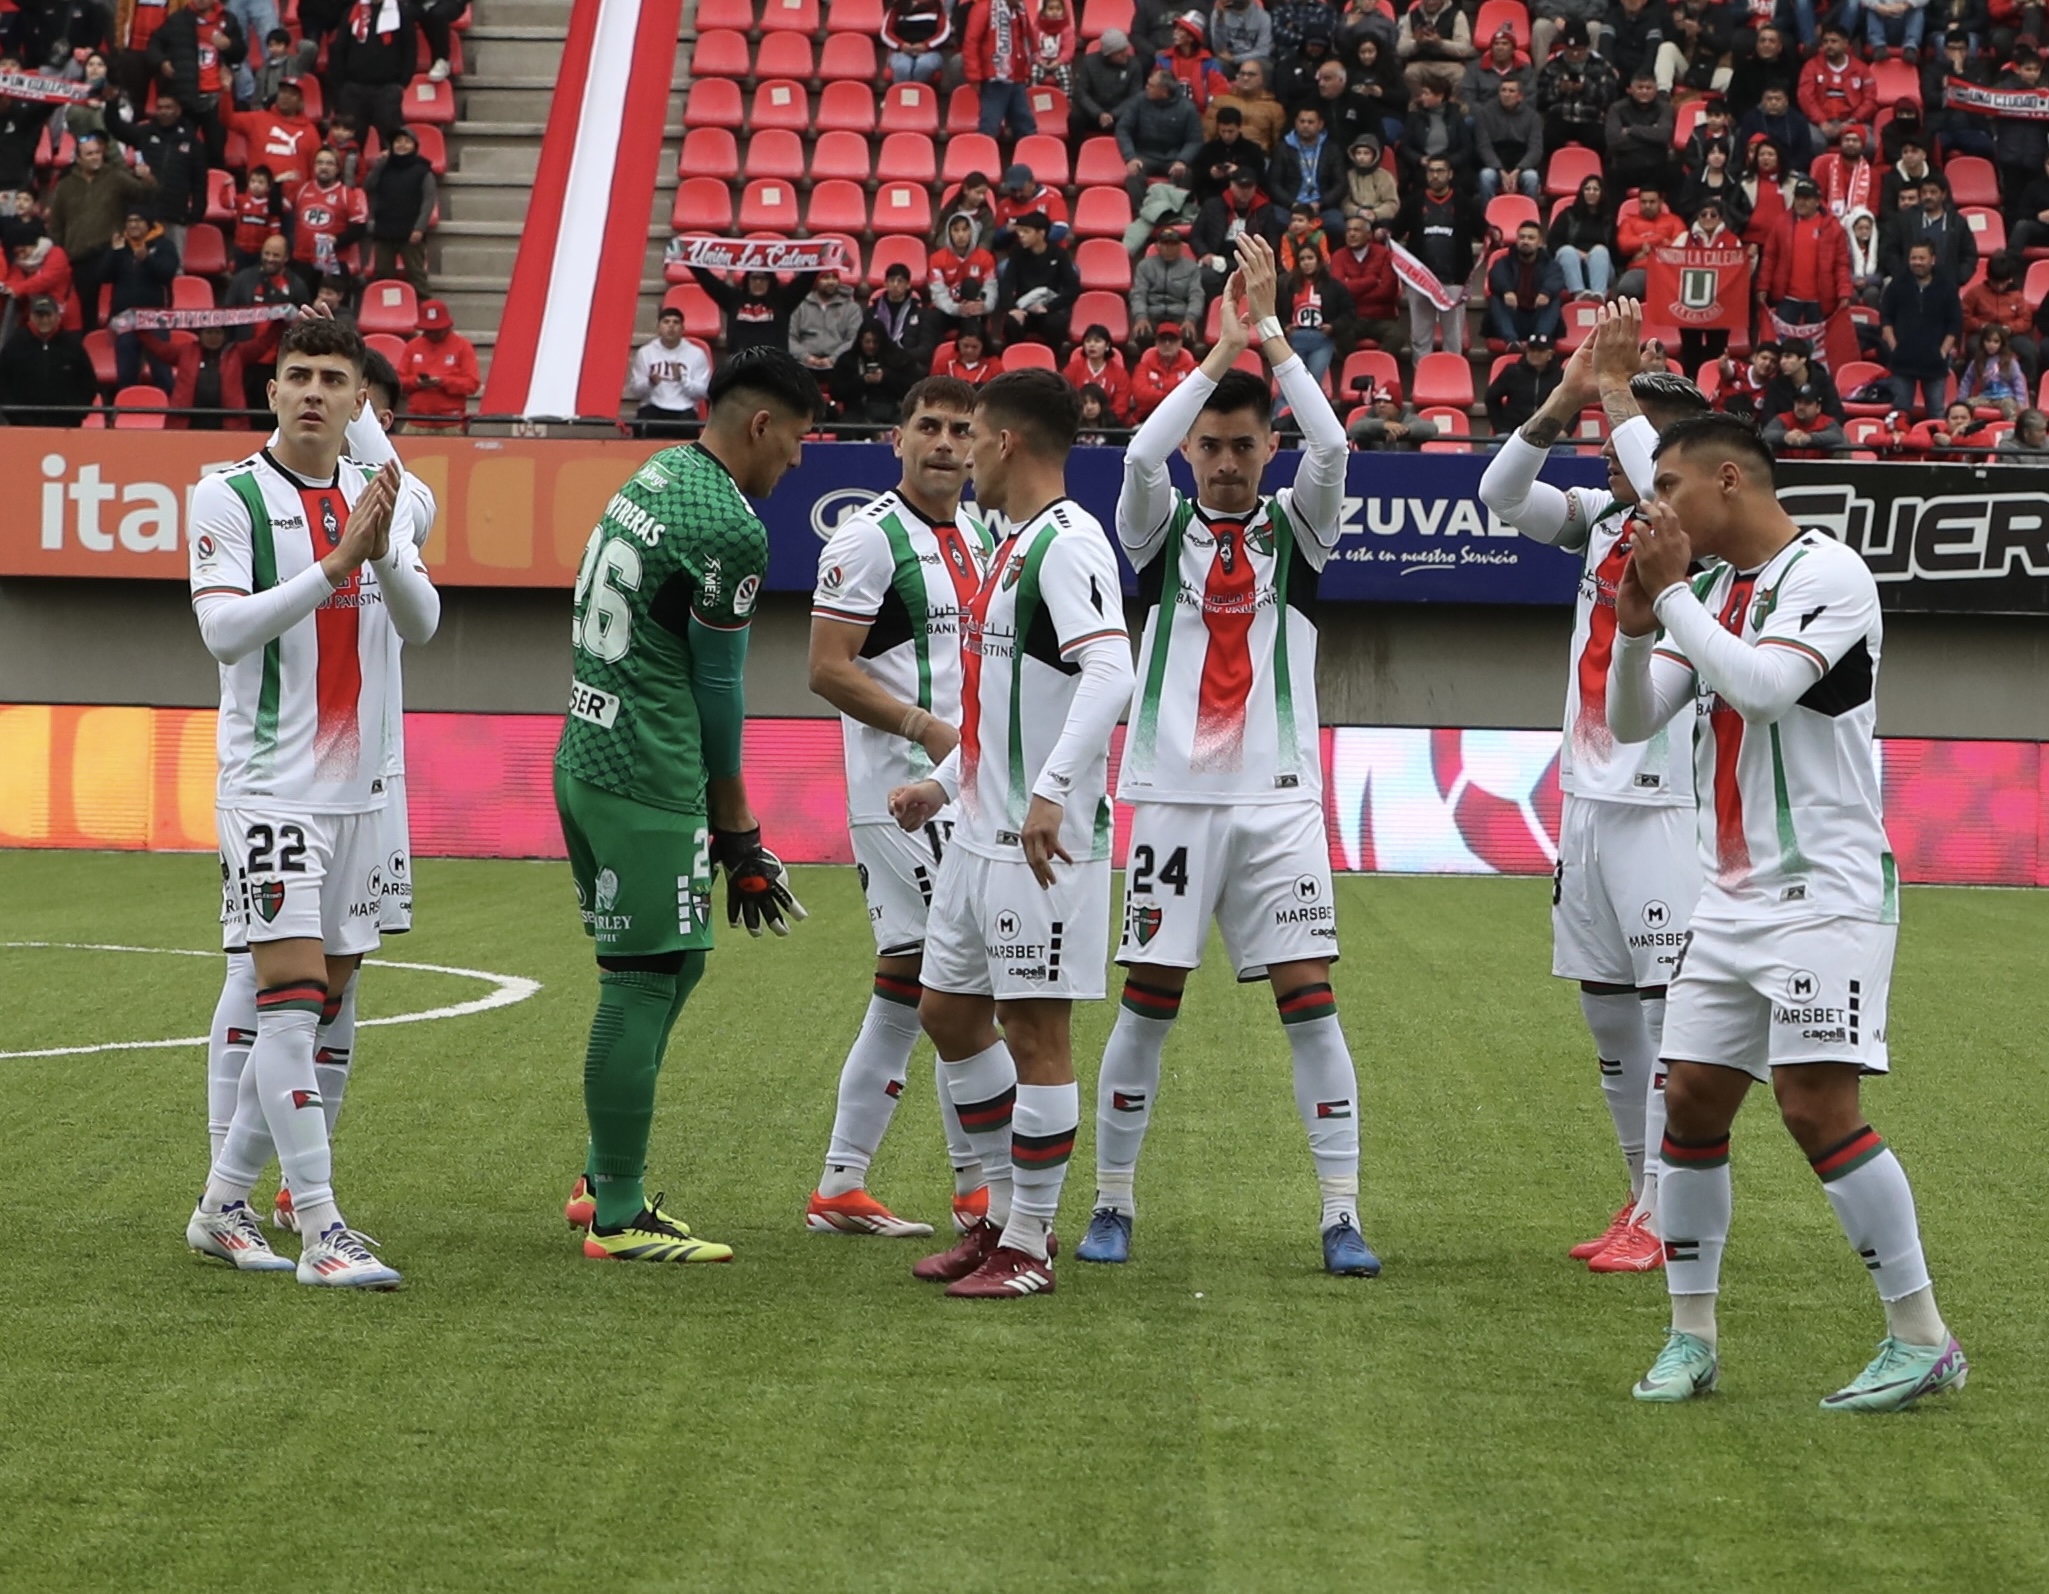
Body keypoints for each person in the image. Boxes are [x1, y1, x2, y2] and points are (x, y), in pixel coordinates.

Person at [1607, 410, 1965, 1412]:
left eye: (1670, 486)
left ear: (1730, 482)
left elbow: (1763, 690)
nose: (1657, 505)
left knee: (1816, 1107)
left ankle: (1921, 1334)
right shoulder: (1716, 589)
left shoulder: (1828, 575)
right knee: (1690, 1102)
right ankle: (1691, 1337)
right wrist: (1641, 635)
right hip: (1730, 896)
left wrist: (1671, 594)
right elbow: (1632, 718)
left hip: (1828, 891)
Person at [1073, 235, 1375, 1275]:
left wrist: (1276, 341)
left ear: (1265, 451)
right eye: (1214, 445)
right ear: (1195, 448)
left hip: (1281, 803)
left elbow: (1334, 451)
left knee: (1311, 1003)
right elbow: (1133, 458)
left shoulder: (1301, 527)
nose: (1229, 460)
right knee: (1149, 1004)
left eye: (1245, 445)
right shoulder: (1156, 531)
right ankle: (1113, 1202)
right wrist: (1217, 353)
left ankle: (1340, 1213)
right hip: (1171, 799)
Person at [553, 347, 820, 1260]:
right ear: (759, 427)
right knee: (640, 978)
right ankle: (620, 1211)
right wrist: (740, 828)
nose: (795, 461)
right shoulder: (732, 528)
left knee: (680, 963)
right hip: (645, 772)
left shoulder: (659, 469)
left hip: (586, 755)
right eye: (793, 442)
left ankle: (600, 1177)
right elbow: (718, 686)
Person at [185, 314, 435, 1288]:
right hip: (272, 789)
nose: (316, 392)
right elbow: (224, 633)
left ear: (361, 401)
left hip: (362, 796)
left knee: (324, 1001)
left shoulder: (389, 499)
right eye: (299, 375)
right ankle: (325, 1228)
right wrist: (334, 567)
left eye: (336, 377)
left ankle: (221, 1206)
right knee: (286, 1001)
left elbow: (423, 618)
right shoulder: (228, 495)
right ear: (274, 391)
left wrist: (381, 554)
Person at [888, 369, 1135, 1298]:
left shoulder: (1068, 545)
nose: (962, 455)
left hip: (1041, 840)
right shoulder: (1008, 542)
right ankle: (996, 1217)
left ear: (1008, 444)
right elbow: (1004, 703)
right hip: (978, 832)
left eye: (975, 436)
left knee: (1036, 1034)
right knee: (946, 1014)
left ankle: (1027, 1244)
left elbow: (1109, 673)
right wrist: (942, 782)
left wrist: (1052, 793)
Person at [1479, 304, 1710, 1273]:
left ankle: (1667, 1209)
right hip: (1585, 801)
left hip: (1659, 803)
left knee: (1666, 1018)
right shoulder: (1599, 519)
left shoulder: (1691, 529)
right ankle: (1640, 1196)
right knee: (1610, 1013)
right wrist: (1570, 392)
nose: (1613, 457)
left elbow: (1659, 474)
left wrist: (1616, 385)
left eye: (1630, 442)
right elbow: (1500, 492)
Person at [803, 378, 995, 1238]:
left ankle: (841, 1184)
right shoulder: (868, 536)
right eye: (930, 427)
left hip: (959, 791)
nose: (947, 443)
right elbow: (826, 666)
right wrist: (928, 728)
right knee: (965, 986)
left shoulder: (982, 530)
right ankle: (978, 1186)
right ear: (897, 438)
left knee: (904, 988)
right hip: (902, 797)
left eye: (961, 429)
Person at [44, 130, 155, 332]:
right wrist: (60, 255)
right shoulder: (64, 186)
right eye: (89, 154)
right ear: (78, 159)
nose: (95, 157)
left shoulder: (115, 177)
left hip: (109, 252)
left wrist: (147, 178)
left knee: (117, 306)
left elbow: (143, 194)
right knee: (85, 313)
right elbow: (56, 225)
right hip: (78, 257)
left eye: (97, 152)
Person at [1395, 152, 1483, 356]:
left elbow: (1483, 229)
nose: (1435, 175)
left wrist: (1494, 232)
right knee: (1420, 338)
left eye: (1440, 171)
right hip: (1420, 281)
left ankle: (1453, 383)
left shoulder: (1464, 202)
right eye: (1431, 171)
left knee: (1453, 339)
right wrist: (1384, 231)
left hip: (1454, 280)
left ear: (1450, 174)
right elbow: (1395, 230)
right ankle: (1421, 383)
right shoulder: (1414, 202)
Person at [140, 317, 282, 427]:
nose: (213, 337)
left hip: (227, 424)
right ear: (200, 335)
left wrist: (279, 323)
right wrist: (139, 330)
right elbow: (159, 348)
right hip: (187, 422)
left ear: (224, 335)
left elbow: (263, 343)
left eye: (217, 332)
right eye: (209, 332)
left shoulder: (238, 353)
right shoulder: (185, 351)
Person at [146, 0, 241, 163]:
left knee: (216, 151)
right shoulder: (177, 20)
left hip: (216, 97)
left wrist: (230, 45)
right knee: (181, 152)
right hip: (186, 96)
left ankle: (215, 186)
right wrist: (162, 62)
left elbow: (240, 53)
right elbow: (154, 43)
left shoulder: (228, 19)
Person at [1758, 179, 1851, 332]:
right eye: (1798, 198)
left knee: (1816, 352)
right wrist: (1763, 286)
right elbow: (1770, 257)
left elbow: (1841, 263)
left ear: (1817, 201)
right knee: (1785, 348)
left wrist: (1844, 293)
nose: (1801, 202)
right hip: (1787, 299)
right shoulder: (1781, 223)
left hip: (1819, 301)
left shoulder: (1833, 227)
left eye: (1806, 198)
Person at [1880, 240, 1960, 416]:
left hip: (1935, 363)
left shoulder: (1947, 287)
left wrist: (1943, 351)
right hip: (1902, 362)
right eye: (1913, 258)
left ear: (1932, 259)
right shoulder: (1897, 284)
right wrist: (1894, 346)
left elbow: (1954, 323)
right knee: (1900, 413)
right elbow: (1886, 317)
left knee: (1937, 413)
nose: (1917, 262)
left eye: (1922, 258)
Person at [326, 0, 419, 142]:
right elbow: (339, 48)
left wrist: (402, 82)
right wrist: (341, 85)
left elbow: (410, 49)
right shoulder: (353, 11)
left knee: (390, 140)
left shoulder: (401, 12)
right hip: (353, 89)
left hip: (387, 89)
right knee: (349, 142)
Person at [0, 293, 98, 425]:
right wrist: (13, 414)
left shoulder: (72, 345)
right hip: (22, 426)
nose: (44, 320)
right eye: (40, 315)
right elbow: (3, 381)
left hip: (66, 427)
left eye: (48, 315)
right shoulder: (15, 344)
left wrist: (77, 413)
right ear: (31, 317)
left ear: (57, 317)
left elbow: (88, 383)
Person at [1118, 66, 1206, 209]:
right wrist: (1130, 157)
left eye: (1151, 86)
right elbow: (1123, 129)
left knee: (1185, 175)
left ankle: (1176, 214)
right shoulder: (1139, 101)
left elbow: (1195, 140)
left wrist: (1182, 160)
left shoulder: (1187, 108)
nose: (1146, 87)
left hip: (1174, 157)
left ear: (1164, 91)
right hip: (1145, 155)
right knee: (1133, 176)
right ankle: (1140, 214)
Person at [363, 126, 436, 294]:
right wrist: (381, 163)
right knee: (382, 274)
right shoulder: (384, 167)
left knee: (416, 274)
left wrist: (419, 228)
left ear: (414, 146)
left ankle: (423, 310)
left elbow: (428, 201)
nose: (401, 145)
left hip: (410, 232)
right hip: (385, 230)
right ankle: (385, 311)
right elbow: (369, 185)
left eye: (406, 142)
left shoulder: (423, 170)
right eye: (397, 141)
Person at [1193, 167, 1283, 300]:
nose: (1245, 191)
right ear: (1231, 185)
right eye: (1241, 186)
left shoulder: (1265, 209)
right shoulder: (1212, 205)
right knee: (1204, 277)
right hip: (1218, 258)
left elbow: (1273, 241)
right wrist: (1205, 254)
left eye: (1249, 187)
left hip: (1251, 261)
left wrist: (1258, 258)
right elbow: (1196, 236)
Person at [996, 211, 1079, 347]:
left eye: (1026, 231)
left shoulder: (1059, 254)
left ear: (1041, 233)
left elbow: (1073, 288)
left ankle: (1050, 362)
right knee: (1011, 323)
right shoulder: (1017, 252)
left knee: (1056, 323)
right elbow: (1007, 283)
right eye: (1020, 231)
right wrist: (1011, 308)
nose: (1021, 235)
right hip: (1024, 307)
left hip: (1048, 308)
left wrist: (1048, 307)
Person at [292, 146, 370, 290]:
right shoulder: (303, 190)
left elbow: (360, 228)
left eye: (329, 163)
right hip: (303, 259)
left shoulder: (346, 194)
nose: (324, 167)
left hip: (334, 262)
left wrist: (337, 240)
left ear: (337, 168)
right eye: (320, 163)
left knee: (331, 308)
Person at [1537, 21, 1621, 155]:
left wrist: (1586, 88)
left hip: (1589, 118)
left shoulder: (1601, 66)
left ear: (1587, 47)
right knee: (1548, 138)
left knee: (1600, 139)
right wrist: (1558, 89)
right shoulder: (1552, 66)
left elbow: (1610, 98)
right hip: (1560, 118)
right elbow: (1539, 98)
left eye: (1579, 49)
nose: (1575, 54)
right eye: (1571, 49)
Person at [1275, 240, 1353, 384]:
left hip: (1322, 339)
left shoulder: (1334, 286)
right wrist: (1285, 326)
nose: (1306, 262)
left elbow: (1349, 313)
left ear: (1319, 260)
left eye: (1310, 258)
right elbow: (1276, 312)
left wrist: (1333, 327)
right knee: (1290, 386)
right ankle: (1283, 408)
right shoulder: (1287, 285)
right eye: (1302, 259)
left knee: (1313, 386)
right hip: (1295, 338)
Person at [625, 306, 710, 437]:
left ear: (683, 329)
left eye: (676, 322)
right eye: (666, 322)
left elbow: (704, 392)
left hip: (684, 409)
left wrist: (683, 379)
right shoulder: (645, 352)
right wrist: (650, 383)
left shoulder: (696, 354)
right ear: (658, 327)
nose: (671, 326)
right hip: (653, 406)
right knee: (643, 426)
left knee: (689, 428)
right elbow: (636, 390)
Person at [1328, 212, 1405, 353]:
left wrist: (1351, 285)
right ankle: (1354, 369)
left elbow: (1387, 291)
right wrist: (1372, 281)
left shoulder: (1384, 254)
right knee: (1341, 334)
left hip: (1382, 318)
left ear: (1369, 235)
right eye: (1348, 230)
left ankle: (1378, 367)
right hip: (1351, 317)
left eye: (1356, 230)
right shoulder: (1338, 256)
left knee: (1396, 336)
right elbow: (1338, 291)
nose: (1351, 234)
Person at [399, 298, 478, 430]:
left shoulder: (463, 346)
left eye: (438, 329)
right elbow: (399, 381)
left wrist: (443, 381)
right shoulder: (413, 346)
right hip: (417, 421)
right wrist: (417, 382)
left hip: (451, 422)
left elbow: (471, 384)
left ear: (448, 326)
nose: (433, 334)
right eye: (428, 330)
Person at [1880, 176, 1974, 288]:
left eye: (1933, 192)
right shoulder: (1904, 220)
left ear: (1943, 195)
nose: (1928, 196)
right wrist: (1901, 276)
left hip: (1946, 288)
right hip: (1910, 288)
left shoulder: (1957, 223)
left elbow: (1969, 255)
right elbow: (1890, 251)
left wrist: (1958, 278)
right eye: (1924, 192)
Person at [965, 0, 1039, 139]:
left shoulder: (1020, 11)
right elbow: (971, 43)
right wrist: (974, 76)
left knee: (1026, 126)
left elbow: (1027, 42)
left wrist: (1026, 71)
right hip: (994, 77)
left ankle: (1030, 158)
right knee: (989, 126)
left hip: (1017, 78)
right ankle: (983, 158)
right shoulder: (983, 8)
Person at [1268, 103, 1345, 232]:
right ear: (1296, 123)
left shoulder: (1331, 149)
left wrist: (1321, 203)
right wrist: (1292, 203)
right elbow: (1273, 183)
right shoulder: (1283, 148)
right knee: (1274, 219)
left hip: (1320, 207)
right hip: (1291, 206)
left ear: (1320, 125)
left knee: (1336, 224)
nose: (1305, 125)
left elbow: (1340, 183)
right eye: (1302, 121)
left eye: (1310, 122)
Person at [1797, 24, 1877, 149]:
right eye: (1825, 42)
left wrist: (1852, 121)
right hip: (1819, 123)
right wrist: (1822, 121)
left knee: (1868, 145)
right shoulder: (1812, 66)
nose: (1829, 45)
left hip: (1851, 121)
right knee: (1813, 142)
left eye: (1834, 41)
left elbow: (1870, 100)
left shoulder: (1861, 68)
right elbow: (1805, 97)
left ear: (1845, 44)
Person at [830, 319, 919, 431]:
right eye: (867, 342)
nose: (871, 346)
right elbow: (836, 392)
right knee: (846, 427)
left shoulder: (900, 358)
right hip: (857, 411)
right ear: (860, 341)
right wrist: (862, 381)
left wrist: (886, 377)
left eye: (875, 342)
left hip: (893, 410)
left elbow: (912, 388)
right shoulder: (847, 360)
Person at [1487, 221, 1566, 347]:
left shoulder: (1549, 263)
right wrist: (1506, 290)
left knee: (1553, 299)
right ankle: (1512, 343)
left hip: (1537, 316)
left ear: (1540, 242)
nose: (1525, 241)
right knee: (1496, 299)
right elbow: (1496, 276)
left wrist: (1546, 292)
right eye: (1522, 237)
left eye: (1531, 238)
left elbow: (1556, 278)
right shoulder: (1504, 261)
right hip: (1513, 317)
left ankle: (1539, 340)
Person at [1132, 225, 1207, 349]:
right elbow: (1138, 293)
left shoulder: (1191, 268)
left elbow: (1196, 295)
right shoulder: (1144, 266)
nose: (1169, 247)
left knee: (1187, 337)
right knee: (1142, 335)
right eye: (1165, 243)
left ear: (1180, 247)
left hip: (1179, 314)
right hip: (1153, 313)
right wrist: (1141, 316)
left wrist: (1190, 319)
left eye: (1173, 244)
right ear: (1158, 246)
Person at [1606, 71, 1677, 196]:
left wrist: (1631, 130)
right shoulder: (1616, 108)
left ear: (1656, 89)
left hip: (1657, 165)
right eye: (1640, 87)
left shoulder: (1665, 107)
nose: (1644, 91)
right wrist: (1651, 134)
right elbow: (1614, 141)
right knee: (1611, 175)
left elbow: (1664, 136)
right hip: (1627, 165)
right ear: (1631, 89)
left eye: (1648, 88)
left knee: (1677, 174)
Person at [1613, 182, 1687, 300]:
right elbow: (1624, 244)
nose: (1647, 205)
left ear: (1661, 202)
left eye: (1652, 202)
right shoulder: (1629, 221)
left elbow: (1680, 246)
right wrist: (1659, 239)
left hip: (1668, 269)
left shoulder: (1674, 220)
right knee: (1626, 287)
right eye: (1643, 202)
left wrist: (1649, 249)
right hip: (1640, 269)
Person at [1475, 76, 1544, 201]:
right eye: (1503, 90)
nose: (1506, 94)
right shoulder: (1484, 113)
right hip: (1495, 166)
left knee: (1532, 178)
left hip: (1522, 166)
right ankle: (1486, 217)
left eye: (1511, 91)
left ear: (1520, 96)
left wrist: (1518, 171)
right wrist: (1500, 170)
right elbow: (1484, 147)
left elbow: (1536, 150)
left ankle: (1530, 217)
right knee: (1485, 176)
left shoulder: (1533, 117)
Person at [928, 213, 998, 335]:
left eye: (965, 230)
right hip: (949, 309)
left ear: (972, 231)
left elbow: (990, 286)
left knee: (970, 284)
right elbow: (938, 292)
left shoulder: (986, 258)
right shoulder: (936, 259)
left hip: (975, 310)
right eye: (956, 230)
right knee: (931, 318)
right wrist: (957, 309)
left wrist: (984, 306)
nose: (961, 235)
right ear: (949, 233)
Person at [1550, 174, 1617, 299]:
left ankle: (1599, 296)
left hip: (1600, 269)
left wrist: (1592, 257)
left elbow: (1615, 253)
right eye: (1587, 189)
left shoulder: (1608, 220)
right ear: (1582, 192)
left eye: (1596, 189)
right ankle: (1579, 294)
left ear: (1602, 193)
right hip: (1572, 267)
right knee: (1567, 251)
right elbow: (1553, 243)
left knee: (1600, 250)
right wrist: (1579, 254)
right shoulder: (1568, 214)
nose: (1591, 192)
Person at [1073, 27, 1148, 136]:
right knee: (1076, 116)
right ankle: (1077, 151)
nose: (1125, 54)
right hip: (1094, 111)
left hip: (1120, 111)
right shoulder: (1089, 63)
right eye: (1119, 52)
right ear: (1108, 54)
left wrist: (1114, 114)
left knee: (1139, 116)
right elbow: (1081, 93)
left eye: (1125, 49)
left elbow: (1134, 96)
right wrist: (1098, 113)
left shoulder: (1134, 65)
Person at [1486, 330, 1564, 433]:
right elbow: (1491, 398)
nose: (1535, 354)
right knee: (1495, 447)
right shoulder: (1512, 372)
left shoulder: (1561, 376)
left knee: (1566, 449)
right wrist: (1500, 428)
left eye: (1540, 351)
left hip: (1549, 433)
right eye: (1532, 350)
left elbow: (1574, 403)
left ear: (1550, 354)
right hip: (1514, 431)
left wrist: (1566, 430)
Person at [790, 268, 863, 373]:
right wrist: (806, 357)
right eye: (826, 278)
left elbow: (854, 339)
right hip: (803, 363)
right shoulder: (799, 305)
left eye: (834, 278)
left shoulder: (851, 308)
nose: (831, 282)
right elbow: (789, 337)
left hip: (838, 364)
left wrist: (833, 359)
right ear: (816, 281)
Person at [1397, 0, 1474, 98]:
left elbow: (1464, 49)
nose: (1430, 2)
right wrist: (1417, 44)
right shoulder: (1411, 16)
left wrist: (1441, 44)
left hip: (1449, 64)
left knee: (1461, 76)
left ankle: (1454, 107)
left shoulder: (1457, 15)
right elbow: (1400, 49)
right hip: (1421, 63)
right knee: (1410, 73)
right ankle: (1417, 106)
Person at [1205, 58, 1288, 149]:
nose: (1245, 78)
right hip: (1223, 155)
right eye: (1242, 74)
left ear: (1262, 79)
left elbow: (1279, 144)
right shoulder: (1220, 102)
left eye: (1251, 74)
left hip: (1259, 158)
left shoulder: (1274, 108)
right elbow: (1208, 136)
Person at [1062, 322, 1134, 419]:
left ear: (1107, 345)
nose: (1091, 345)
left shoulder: (1120, 374)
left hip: (1109, 425)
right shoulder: (1072, 369)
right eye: (1088, 341)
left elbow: (1121, 407)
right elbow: (1065, 397)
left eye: (1097, 341)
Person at [1956, 323, 2028, 417]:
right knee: (1967, 406)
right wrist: (1962, 400)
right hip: (1985, 397)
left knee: (2010, 409)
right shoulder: (1977, 361)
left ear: (2002, 343)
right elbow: (1967, 381)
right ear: (1983, 342)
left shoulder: (2010, 361)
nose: (1991, 345)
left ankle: (2011, 430)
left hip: (2005, 397)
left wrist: (2020, 401)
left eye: (1996, 341)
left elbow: (2018, 381)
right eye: (1988, 341)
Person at [1131, 319, 1200, 415]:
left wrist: (1158, 387)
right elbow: (1140, 396)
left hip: (1182, 415)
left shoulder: (1193, 368)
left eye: (1172, 340)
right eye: (1163, 340)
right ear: (1156, 343)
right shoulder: (1143, 366)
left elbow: (1194, 396)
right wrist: (1175, 391)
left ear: (1180, 343)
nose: (1167, 344)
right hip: (1148, 416)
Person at [869, 263, 934, 362]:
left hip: (906, 363)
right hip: (877, 361)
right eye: (891, 280)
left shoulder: (921, 315)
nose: (895, 285)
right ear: (885, 284)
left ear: (908, 285)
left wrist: (902, 355)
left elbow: (926, 349)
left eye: (900, 281)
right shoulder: (872, 312)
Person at [1762, 381, 1847, 456]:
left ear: (1818, 408)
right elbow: (1765, 434)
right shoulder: (1783, 419)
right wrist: (1785, 436)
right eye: (1798, 402)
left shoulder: (1826, 421)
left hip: (1820, 471)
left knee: (1843, 445)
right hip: (1785, 470)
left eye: (1807, 403)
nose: (1801, 407)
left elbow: (1838, 436)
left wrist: (1809, 438)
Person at [1345, 382, 1440, 446]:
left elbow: (1431, 428)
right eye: (1378, 401)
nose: (1381, 405)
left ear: (1397, 406)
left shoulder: (1408, 417)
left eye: (1387, 402)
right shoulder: (1370, 416)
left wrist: (1404, 430)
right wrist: (1382, 425)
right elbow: (1354, 429)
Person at [883, 0, 953, 83]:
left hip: (930, 52)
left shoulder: (937, 7)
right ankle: (904, 95)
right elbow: (886, 32)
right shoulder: (897, 7)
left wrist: (926, 45)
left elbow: (944, 32)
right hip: (901, 52)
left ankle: (920, 94)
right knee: (902, 67)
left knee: (923, 66)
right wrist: (901, 45)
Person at [1339, 133, 1398, 226]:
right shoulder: (1349, 175)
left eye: (1366, 153)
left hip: (1379, 218)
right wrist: (1359, 212)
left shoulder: (1385, 176)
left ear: (1374, 155)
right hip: (1355, 216)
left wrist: (1375, 214)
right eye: (1358, 153)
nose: (1361, 157)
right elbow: (1345, 202)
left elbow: (1392, 203)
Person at [1210, 0, 1273, 78]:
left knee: (1267, 67)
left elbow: (1263, 51)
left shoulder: (1263, 17)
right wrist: (1219, 21)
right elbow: (1219, 50)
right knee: (1215, 64)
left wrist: (1235, 59)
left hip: (1253, 59)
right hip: (1228, 61)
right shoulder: (1219, 14)